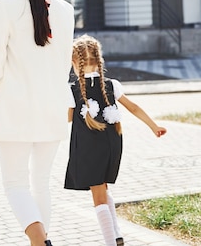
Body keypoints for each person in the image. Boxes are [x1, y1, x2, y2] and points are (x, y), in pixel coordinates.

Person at [0, 0, 75, 246]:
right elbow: (62, 67)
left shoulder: (4, 6)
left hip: (15, 112)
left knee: (15, 184)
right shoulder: (66, 10)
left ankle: (38, 241)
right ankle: (42, 239)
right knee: (41, 183)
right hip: (53, 111)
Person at [64, 35, 167, 246]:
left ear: (75, 63)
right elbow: (134, 108)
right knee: (103, 189)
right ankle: (116, 233)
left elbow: (65, 119)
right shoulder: (112, 85)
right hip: (112, 146)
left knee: (98, 197)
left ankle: (111, 242)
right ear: (99, 61)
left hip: (88, 148)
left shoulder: (71, 90)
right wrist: (154, 126)